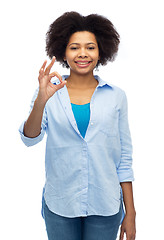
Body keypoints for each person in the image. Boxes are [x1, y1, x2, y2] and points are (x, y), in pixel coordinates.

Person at [19, 11, 136, 240]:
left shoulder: (116, 96)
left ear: (101, 50)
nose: (82, 54)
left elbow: (124, 159)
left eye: (90, 47)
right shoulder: (48, 92)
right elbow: (29, 138)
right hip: (60, 203)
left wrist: (130, 212)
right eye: (74, 47)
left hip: (106, 204)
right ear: (63, 50)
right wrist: (42, 100)